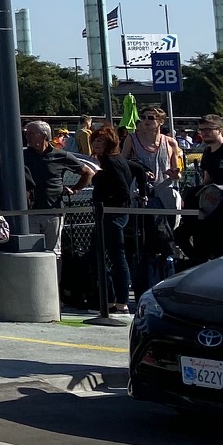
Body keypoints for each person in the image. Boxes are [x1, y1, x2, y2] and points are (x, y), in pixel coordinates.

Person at [89, 124, 145, 316]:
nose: (96, 144)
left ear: (109, 143)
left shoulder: (112, 162)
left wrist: (107, 203)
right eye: (95, 140)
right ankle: (112, 298)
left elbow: (122, 189)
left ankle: (120, 302)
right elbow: (139, 170)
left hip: (112, 214)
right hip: (111, 213)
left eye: (101, 141)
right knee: (99, 255)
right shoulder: (113, 160)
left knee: (116, 257)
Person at [21, 119, 88, 253]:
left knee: (54, 252)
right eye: (26, 133)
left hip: (53, 210)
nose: (27, 136)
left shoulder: (60, 155)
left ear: (44, 136)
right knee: (30, 252)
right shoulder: (22, 155)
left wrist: (75, 189)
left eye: (31, 133)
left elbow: (87, 172)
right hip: (29, 211)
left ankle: (56, 274)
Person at [125, 106, 182, 187]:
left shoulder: (171, 142)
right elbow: (122, 164)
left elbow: (177, 172)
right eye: (143, 117)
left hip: (164, 192)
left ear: (161, 121)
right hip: (140, 192)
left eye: (151, 118)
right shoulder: (132, 139)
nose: (146, 120)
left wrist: (175, 175)